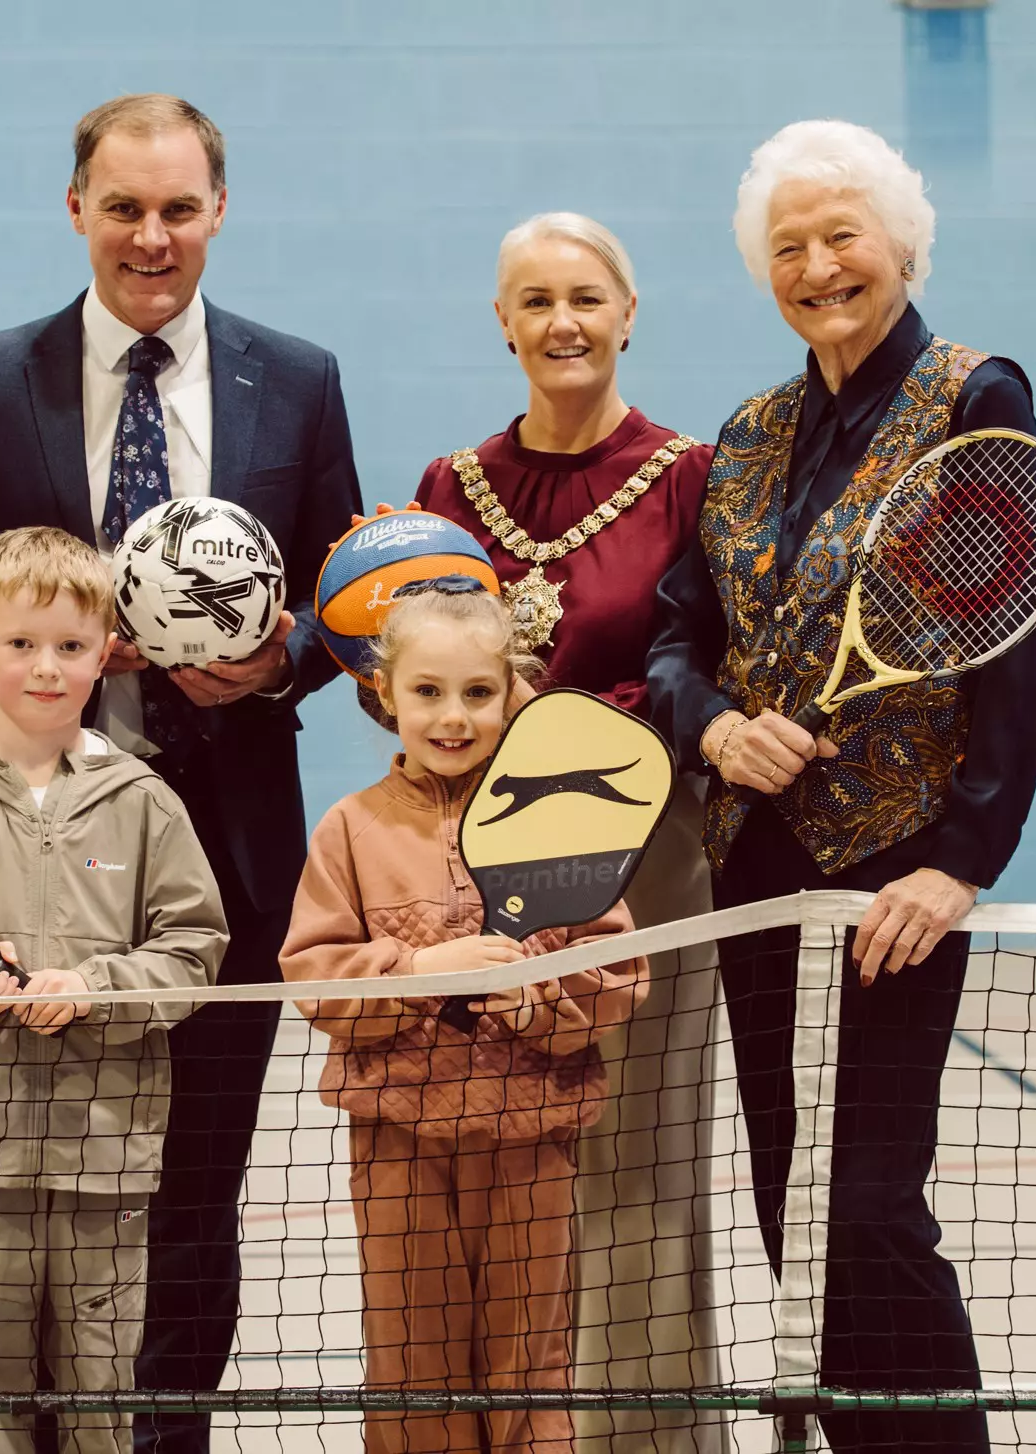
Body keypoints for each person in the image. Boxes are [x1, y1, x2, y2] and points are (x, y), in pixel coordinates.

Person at [0, 93, 361, 1454]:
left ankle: (164, 1440)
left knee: (193, 1185)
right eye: (123, 207)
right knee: (24, 1191)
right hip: (11, 858)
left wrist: (273, 664)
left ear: (219, 211)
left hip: (219, 850)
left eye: (178, 208)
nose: (150, 236)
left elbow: (340, 605)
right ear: (75, 211)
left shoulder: (295, 377)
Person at [647, 120, 1036, 1454]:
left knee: (870, 1201)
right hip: (756, 872)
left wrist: (963, 856)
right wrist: (712, 728)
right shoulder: (747, 434)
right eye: (789, 246)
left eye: (843, 235)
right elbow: (675, 637)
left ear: (899, 241)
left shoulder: (970, 397)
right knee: (790, 1198)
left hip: (894, 877)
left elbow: (1015, 638)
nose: (819, 265)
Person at [412, 213, 725, 1452]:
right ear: (501, 320)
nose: (562, 322)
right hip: (482, 859)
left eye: (585, 296)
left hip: (651, 854)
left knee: (639, 1163)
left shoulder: (693, 475)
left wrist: (590, 729)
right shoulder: (449, 488)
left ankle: (644, 1437)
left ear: (628, 310)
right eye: (534, 299)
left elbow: (705, 663)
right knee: (499, 1159)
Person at [280, 580, 648, 1454]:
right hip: (398, 1142)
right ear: (385, 695)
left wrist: (544, 1001)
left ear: (513, 692)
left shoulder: (566, 821)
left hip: (532, 1138)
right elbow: (314, 974)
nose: (454, 716)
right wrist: (418, 970)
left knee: (529, 1364)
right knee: (414, 1366)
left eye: (479, 693)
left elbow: (617, 970)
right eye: (429, 692)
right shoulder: (349, 829)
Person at [0, 526, 228, 1454]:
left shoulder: (143, 800)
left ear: (106, 655)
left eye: (72, 648)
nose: (46, 668)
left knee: (98, 1387)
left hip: (106, 1153)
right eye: (20, 644)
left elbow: (195, 948)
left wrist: (94, 986)